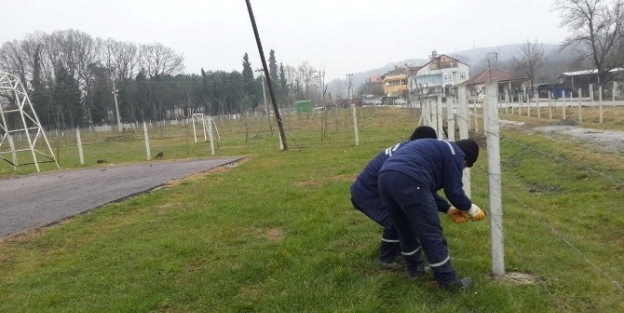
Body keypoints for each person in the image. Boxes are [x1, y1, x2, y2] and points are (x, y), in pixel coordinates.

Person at [350, 126, 467, 271]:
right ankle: (390, 259)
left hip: (371, 189)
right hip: (368, 194)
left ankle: (400, 256)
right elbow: (415, 187)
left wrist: (447, 208)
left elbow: (423, 190)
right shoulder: (411, 156)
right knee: (401, 220)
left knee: (400, 219)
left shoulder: (407, 149)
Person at [378, 138, 485, 289]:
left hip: (385, 178)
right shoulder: (456, 154)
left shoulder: (438, 149)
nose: (462, 169)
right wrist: (472, 209)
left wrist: (448, 209)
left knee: (405, 229)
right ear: (466, 157)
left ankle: (415, 270)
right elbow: (454, 191)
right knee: (431, 233)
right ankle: (449, 283)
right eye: (465, 166)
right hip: (410, 179)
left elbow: (424, 189)